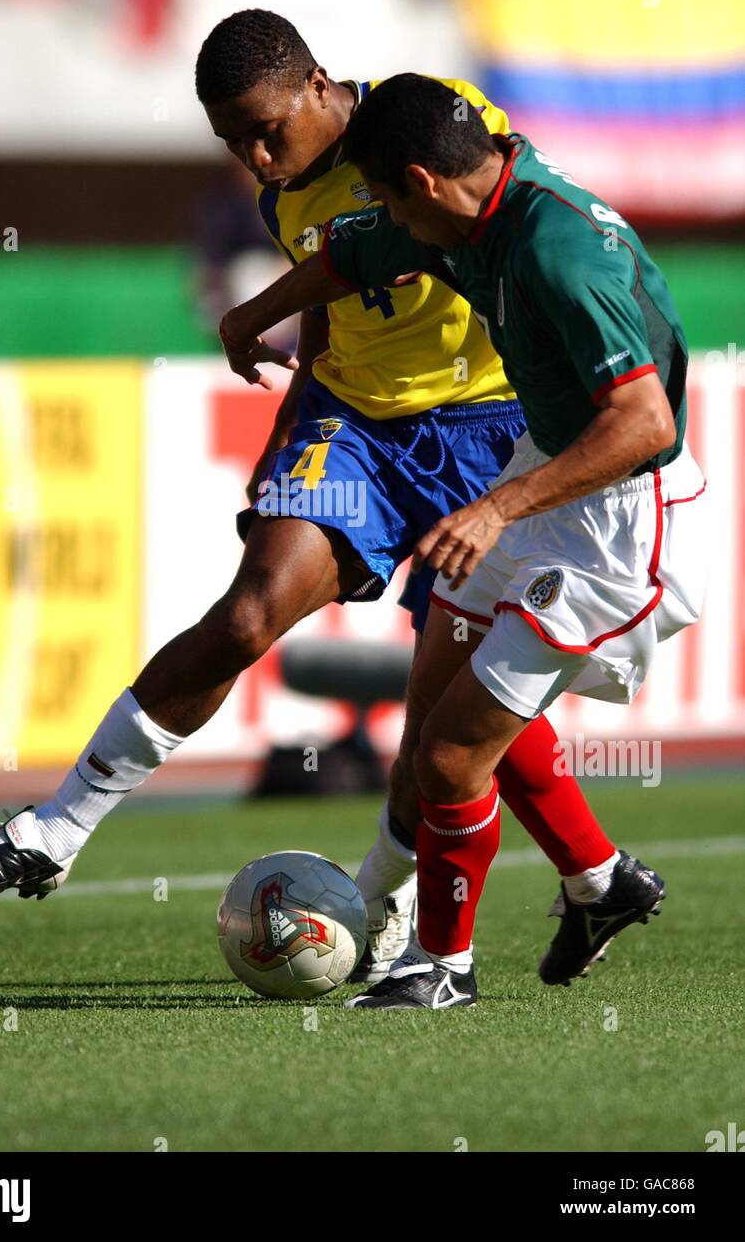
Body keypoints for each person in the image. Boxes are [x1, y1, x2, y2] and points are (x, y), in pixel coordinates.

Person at [0, 22, 620, 990]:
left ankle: (409, 906)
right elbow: (341, 295)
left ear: (318, 87)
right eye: (231, 141)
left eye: (263, 130)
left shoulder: (431, 122)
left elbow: (529, 212)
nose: (255, 157)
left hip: (491, 427)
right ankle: (54, 829)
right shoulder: (278, 188)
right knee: (249, 610)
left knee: (448, 712)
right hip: (358, 424)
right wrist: (285, 420)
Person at [217, 73, 708, 1009]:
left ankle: (443, 969)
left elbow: (645, 425)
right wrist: (251, 315)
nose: (388, 218)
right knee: (435, 716)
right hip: (542, 471)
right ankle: (600, 883)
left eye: (390, 196)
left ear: (422, 181)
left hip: (612, 518)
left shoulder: (563, 254)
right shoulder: (457, 206)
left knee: (447, 757)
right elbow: (354, 256)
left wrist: (497, 508)